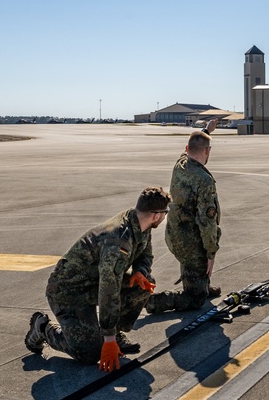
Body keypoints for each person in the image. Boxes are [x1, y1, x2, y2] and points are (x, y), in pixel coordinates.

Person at [25, 186, 170, 372]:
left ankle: (114, 335)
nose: (166, 216)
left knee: (143, 284)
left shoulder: (140, 223)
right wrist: (107, 337)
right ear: (156, 215)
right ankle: (44, 328)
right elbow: (108, 289)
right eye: (166, 212)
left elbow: (145, 255)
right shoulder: (119, 241)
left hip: (93, 281)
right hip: (68, 291)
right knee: (90, 354)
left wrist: (140, 271)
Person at [145, 130, 223, 314]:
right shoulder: (203, 180)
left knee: (194, 263)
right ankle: (154, 302)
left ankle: (200, 284)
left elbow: (192, 145)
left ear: (188, 149)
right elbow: (207, 223)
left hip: (174, 233)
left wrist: (205, 131)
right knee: (196, 299)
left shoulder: (180, 163)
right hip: (190, 241)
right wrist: (211, 254)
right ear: (207, 151)